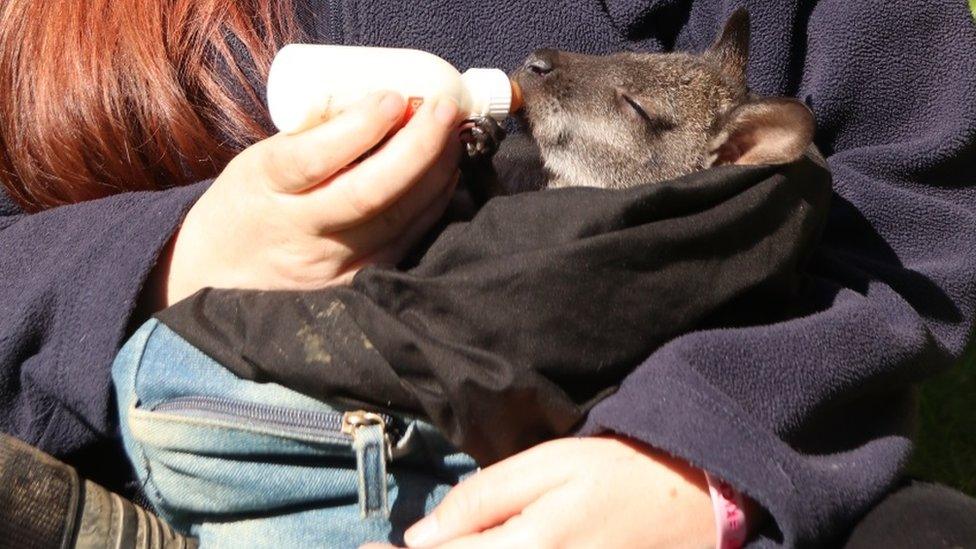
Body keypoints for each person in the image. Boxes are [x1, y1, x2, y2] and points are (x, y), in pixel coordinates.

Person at [1, 0, 974, 547]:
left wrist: (701, 455)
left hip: (639, 472)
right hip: (163, 451)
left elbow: (909, 207)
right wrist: (177, 257)